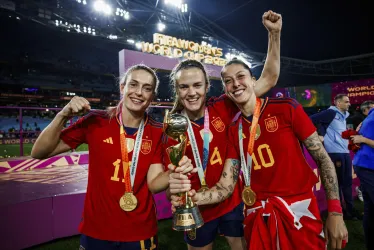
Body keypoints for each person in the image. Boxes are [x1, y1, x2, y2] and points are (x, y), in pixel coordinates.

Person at [170, 58, 348, 250]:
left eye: (240, 76)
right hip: (257, 216)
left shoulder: (287, 107)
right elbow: (226, 186)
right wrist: (192, 199)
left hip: (299, 212)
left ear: (254, 80)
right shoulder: (233, 129)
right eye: (228, 81)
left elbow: (323, 159)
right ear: (225, 88)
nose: (235, 83)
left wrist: (336, 213)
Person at [31, 64, 194, 250]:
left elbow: (153, 183)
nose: (139, 92)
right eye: (133, 85)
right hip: (96, 230)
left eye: (147, 88)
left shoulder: (157, 131)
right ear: (122, 88)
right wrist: (63, 115)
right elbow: (39, 152)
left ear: (152, 97)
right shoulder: (96, 121)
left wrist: (173, 173)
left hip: (140, 231)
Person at [166, 10, 282, 250]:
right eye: (184, 87)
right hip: (196, 208)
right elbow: (165, 178)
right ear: (177, 90)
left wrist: (274, 35)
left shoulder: (223, 107)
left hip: (231, 202)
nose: (191, 92)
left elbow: (268, 79)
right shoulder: (172, 128)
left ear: (207, 86)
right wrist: (173, 188)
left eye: (197, 85)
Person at [310, 94, 360, 220]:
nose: (349, 104)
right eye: (346, 102)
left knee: (347, 183)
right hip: (334, 153)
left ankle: (350, 210)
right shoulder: (330, 113)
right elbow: (310, 119)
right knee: (337, 184)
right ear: (338, 103)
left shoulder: (344, 115)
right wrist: (318, 135)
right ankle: (340, 212)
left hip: (345, 152)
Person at [351, 100, 374, 250]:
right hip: (367, 166)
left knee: (370, 209)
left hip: (364, 164)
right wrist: (364, 139)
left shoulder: (369, 116)